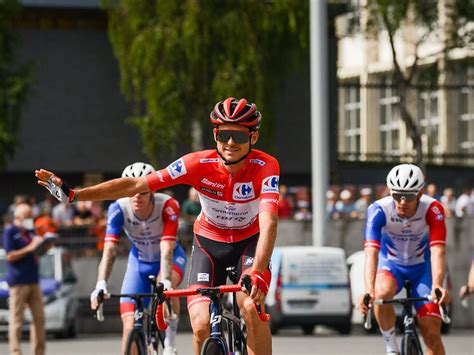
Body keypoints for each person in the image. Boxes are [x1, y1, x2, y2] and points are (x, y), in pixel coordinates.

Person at [36, 97, 279, 355]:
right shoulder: (197, 164)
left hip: (249, 244)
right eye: (224, 134)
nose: (230, 143)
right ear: (215, 135)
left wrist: (257, 271)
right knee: (200, 324)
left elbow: (269, 222)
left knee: (251, 308)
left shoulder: (265, 166)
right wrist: (75, 195)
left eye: (239, 137)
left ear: (253, 138)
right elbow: (135, 185)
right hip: (209, 243)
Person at [89, 162, 187, 355]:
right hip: (139, 262)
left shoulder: (167, 205)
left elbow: (166, 247)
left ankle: (170, 343)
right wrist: (100, 283)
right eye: (131, 191)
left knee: (166, 287)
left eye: (142, 191)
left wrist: (165, 281)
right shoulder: (118, 209)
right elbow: (109, 249)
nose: (136, 196)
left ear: (152, 191)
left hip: (170, 258)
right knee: (128, 325)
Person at [356, 164, 450, 355]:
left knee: (431, 331)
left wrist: (438, 285)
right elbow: (371, 253)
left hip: (422, 269)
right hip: (392, 266)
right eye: (397, 195)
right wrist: (368, 290)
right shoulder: (378, 210)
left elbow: (438, 251)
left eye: (408, 196)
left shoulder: (433, 209)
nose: (402, 202)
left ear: (420, 193)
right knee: (381, 292)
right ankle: (392, 348)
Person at [3, 204, 48, 355]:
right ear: (17, 217)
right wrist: (30, 247)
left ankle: (39, 352)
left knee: (39, 319)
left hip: (33, 280)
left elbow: (36, 251)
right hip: (18, 282)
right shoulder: (10, 231)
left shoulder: (30, 232)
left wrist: (44, 246)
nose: (30, 219)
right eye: (27, 216)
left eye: (30, 215)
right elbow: (10, 256)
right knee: (17, 320)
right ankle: (16, 352)